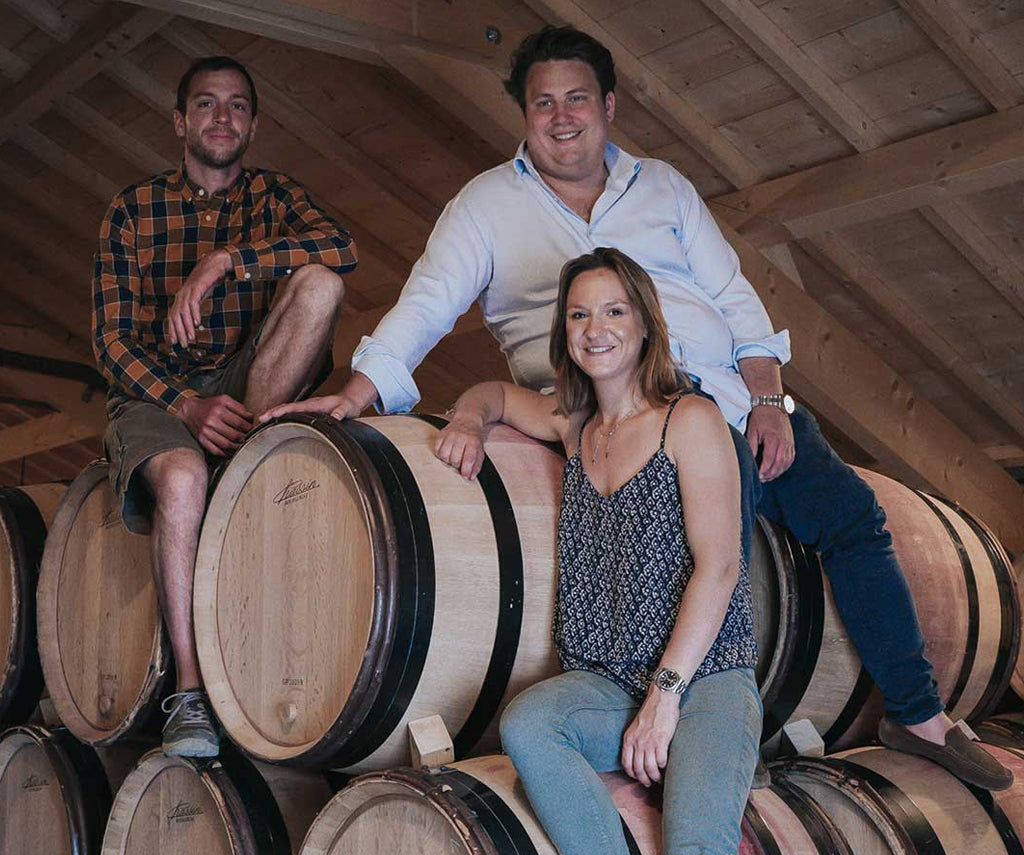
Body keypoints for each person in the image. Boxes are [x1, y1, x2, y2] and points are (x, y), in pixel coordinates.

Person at [264, 26, 1010, 790]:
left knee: (853, 518)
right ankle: (692, 739)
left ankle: (917, 714)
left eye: (577, 98)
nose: (561, 116)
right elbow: (423, 309)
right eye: (543, 102)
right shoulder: (486, 206)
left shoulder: (665, 187)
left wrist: (770, 402)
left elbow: (737, 304)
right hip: (620, 419)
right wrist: (359, 393)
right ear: (524, 114)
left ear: (609, 105)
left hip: (729, 400)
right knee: (717, 562)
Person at [436, 247, 783, 855]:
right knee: (529, 724)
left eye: (614, 310)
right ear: (565, 331)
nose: (597, 328)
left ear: (644, 323)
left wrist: (665, 699)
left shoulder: (690, 419)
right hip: (606, 677)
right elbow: (492, 393)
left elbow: (721, 568)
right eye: (580, 313)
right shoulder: (575, 426)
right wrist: (465, 415)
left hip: (706, 678)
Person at [92, 55, 357, 757]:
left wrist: (225, 263)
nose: (222, 117)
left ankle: (239, 471)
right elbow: (110, 341)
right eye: (206, 105)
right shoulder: (133, 209)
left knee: (322, 286)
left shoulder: (274, 196)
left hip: (249, 381)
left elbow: (341, 247)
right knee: (181, 479)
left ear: (254, 123)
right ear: (181, 121)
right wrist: (185, 404)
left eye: (237, 106)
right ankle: (189, 692)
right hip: (157, 391)